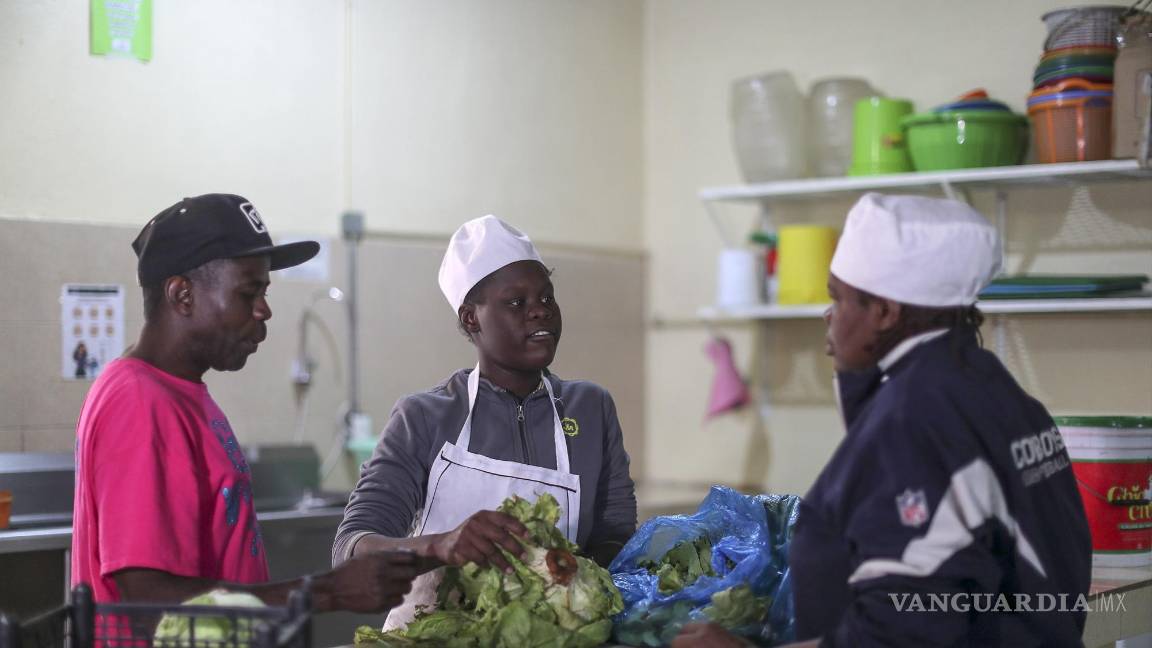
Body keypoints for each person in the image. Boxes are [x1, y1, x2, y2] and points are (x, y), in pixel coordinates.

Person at [674, 193, 1091, 647]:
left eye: (838, 297)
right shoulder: (999, 394)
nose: (827, 316)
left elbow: (905, 631)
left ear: (885, 312)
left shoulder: (913, 422)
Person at [71, 193, 418, 613]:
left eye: (264, 292)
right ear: (182, 295)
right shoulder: (138, 402)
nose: (264, 310)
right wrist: (329, 591)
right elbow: (149, 601)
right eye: (247, 293)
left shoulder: (181, 393)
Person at [333, 214, 637, 629]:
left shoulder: (590, 407)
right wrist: (441, 547)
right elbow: (352, 549)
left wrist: (565, 596)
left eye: (546, 298)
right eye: (517, 302)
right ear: (471, 318)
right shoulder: (424, 416)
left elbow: (616, 536)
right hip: (435, 636)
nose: (540, 313)